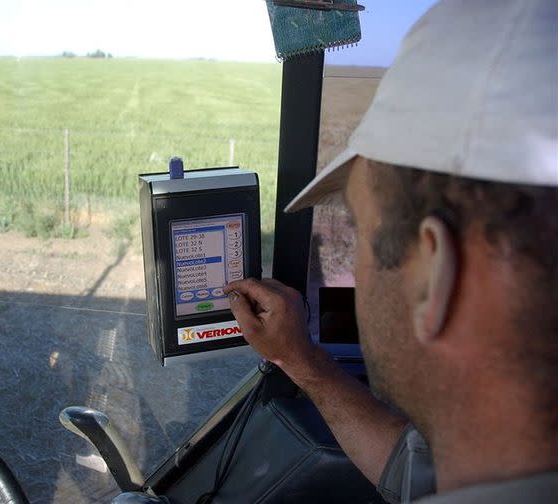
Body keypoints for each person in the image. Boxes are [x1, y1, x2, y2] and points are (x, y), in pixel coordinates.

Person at [225, 0, 558, 502]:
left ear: (432, 276)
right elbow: (412, 470)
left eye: (360, 229)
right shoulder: (486, 456)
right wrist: (301, 361)